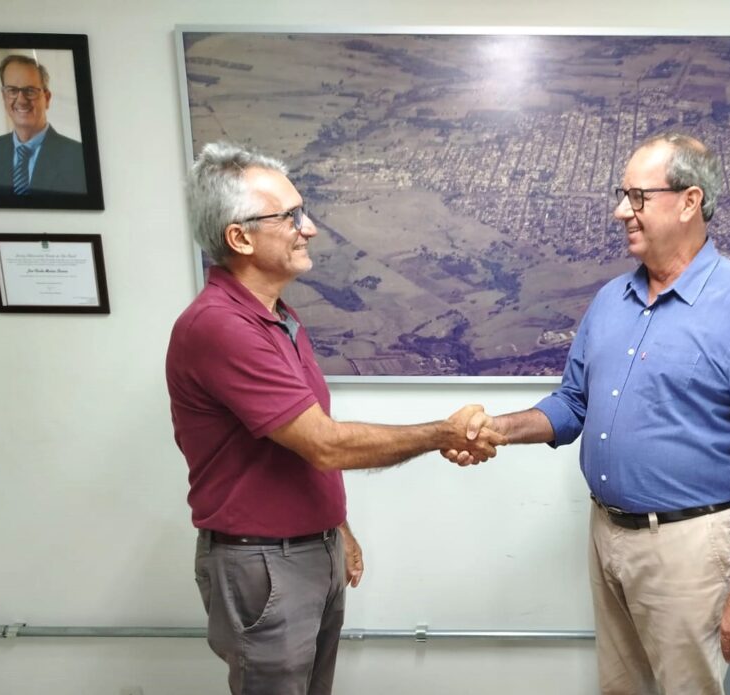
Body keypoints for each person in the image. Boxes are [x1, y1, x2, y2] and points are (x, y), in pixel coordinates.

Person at [447, 133, 730, 695]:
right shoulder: (610, 300)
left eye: (638, 197)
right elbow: (573, 404)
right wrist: (499, 429)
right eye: (623, 195)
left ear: (689, 202)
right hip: (607, 535)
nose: (621, 211)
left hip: (693, 547)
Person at [166, 141, 501, 695]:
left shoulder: (278, 318)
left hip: (305, 550)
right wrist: (444, 432)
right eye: (290, 216)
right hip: (264, 564)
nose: (310, 228)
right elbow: (326, 444)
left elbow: (295, 440)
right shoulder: (220, 327)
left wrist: (334, 525)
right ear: (240, 238)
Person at [0, 54, 86, 195]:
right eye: (12, 90)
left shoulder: (79, 157)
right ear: (4, 97)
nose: (21, 100)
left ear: (47, 98)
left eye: (30, 91)